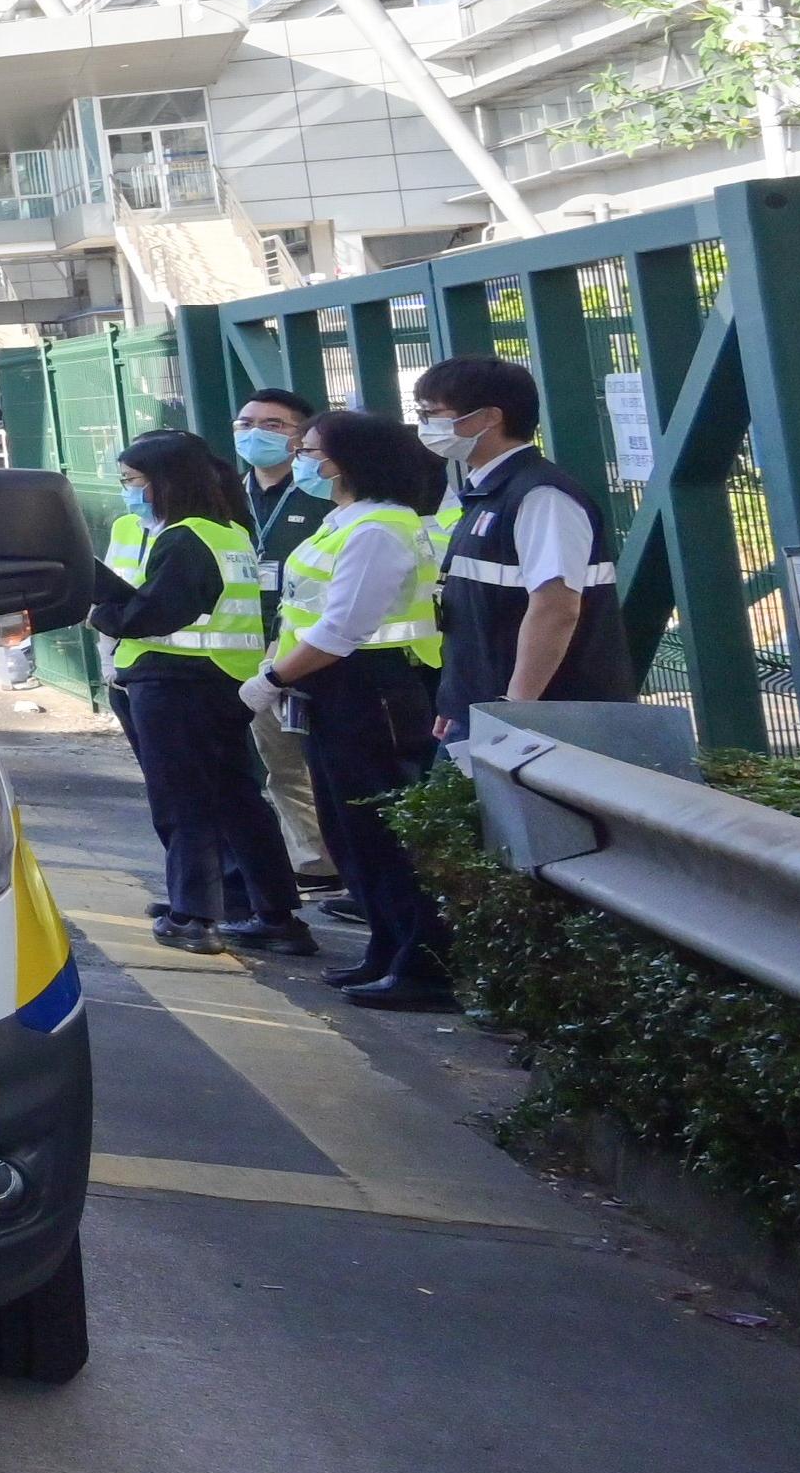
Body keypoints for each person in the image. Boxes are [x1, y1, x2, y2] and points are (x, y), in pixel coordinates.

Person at [242, 409, 452, 1010]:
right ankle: (385, 951)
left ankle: (422, 966)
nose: (304, 460)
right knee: (349, 830)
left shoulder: (378, 530)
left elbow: (343, 629)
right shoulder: (347, 521)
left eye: (312, 451)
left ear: (346, 462)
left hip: (371, 690)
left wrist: (272, 677)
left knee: (382, 832)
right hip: (335, 691)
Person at [90, 430, 314, 956]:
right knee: (237, 799)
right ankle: (275, 913)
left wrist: (102, 611)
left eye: (133, 481)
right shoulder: (228, 531)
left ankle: (193, 917)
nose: (129, 491)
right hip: (219, 682)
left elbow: (157, 613)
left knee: (182, 801)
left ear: (164, 482)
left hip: (173, 682)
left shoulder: (184, 538)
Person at [411, 353, 631, 746]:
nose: (425, 426)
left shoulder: (541, 496)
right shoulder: (488, 494)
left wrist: (515, 710)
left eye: (434, 413)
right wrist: (455, 700)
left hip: (539, 722)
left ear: (489, 417)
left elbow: (556, 607)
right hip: (482, 711)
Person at [231, 385, 345, 902]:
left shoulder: (321, 495)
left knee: (312, 761)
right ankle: (314, 861)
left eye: (274, 425)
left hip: (306, 648)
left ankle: (339, 863)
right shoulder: (230, 496)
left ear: (302, 437)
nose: (256, 433)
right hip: (241, 646)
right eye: (246, 423)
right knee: (275, 763)